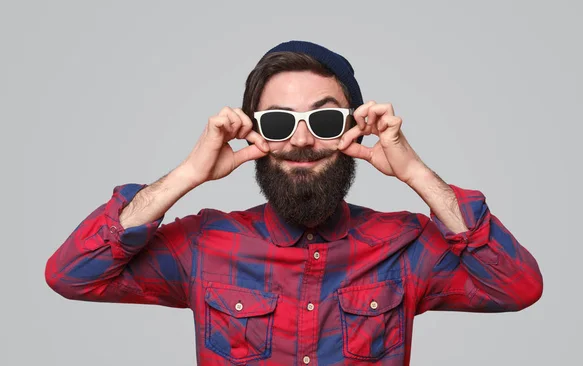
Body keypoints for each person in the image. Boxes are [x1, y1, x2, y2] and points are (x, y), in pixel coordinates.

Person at [45, 40, 543, 366]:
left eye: (325, 121)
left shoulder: (406, 247)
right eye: (278, 123)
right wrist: (189, 174)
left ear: (353, 129)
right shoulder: (203, 245)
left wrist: (415, 173)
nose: (301, 140)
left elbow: (519, 287)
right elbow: (70, 275)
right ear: (254, 135)